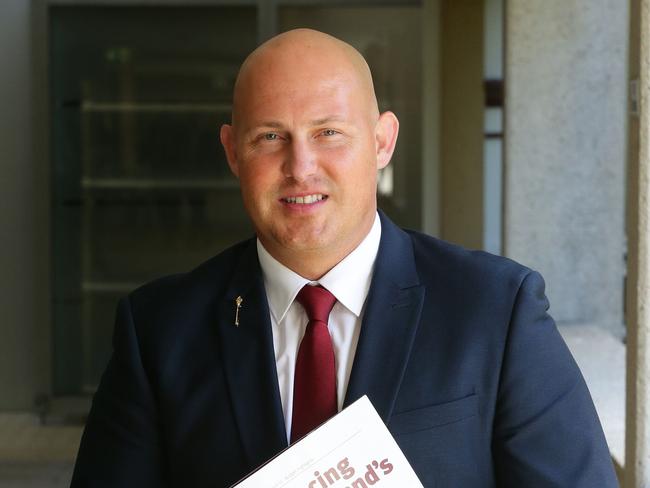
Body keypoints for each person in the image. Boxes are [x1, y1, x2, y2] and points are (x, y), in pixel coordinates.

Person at [71, 29, 618, 487]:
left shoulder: (496, 311)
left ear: (383, 142)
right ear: (232, 151)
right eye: (269, 137)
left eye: (329, 133)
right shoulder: (160, 329)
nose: (301, 166)